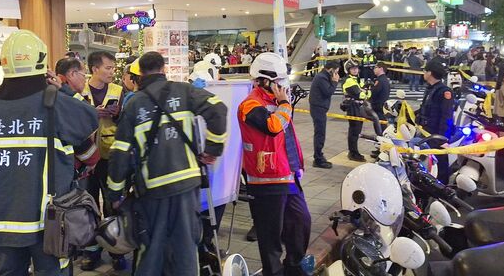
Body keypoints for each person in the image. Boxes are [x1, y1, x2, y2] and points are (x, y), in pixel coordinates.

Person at [0, 30, 99, 275]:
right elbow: (90, 154)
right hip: (49, 221)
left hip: (1, 218)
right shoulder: (58, 103)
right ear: (42, 63)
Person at [106, 51, 228, 275]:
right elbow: (219, 109)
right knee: (185, 246)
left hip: (153, 190)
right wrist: (213, 150)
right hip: (187, 185)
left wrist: (115, 194)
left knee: (151, 247)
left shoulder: (134, 104)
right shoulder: (184, 91)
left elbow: (119, 153)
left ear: (140, 73)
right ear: (164, 69)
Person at [238, 53, 312, 276]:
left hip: (287, 174)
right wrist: (284, 104)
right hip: (265, 179)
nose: (283, 86)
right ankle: (274, 272)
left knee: (301, 221)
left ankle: (293, 264)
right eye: (279, 81)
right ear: (264, 79)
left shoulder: (276, 102)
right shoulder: (250, 104)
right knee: (270, 235)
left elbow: (287, 135)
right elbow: (273, 126)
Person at [81, 50, 125, 270]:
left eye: (113, 68)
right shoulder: (81, 90)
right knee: (87, 205)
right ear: (94, 69)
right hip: (85, 157)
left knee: (113, 204)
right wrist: (91, 113)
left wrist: (116, 114)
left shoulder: (118, 90)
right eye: (108, 68)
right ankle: (91, 250)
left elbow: (125, 120)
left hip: (110, 155)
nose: (111, 72)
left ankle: (117, 249)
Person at [419, 61, 455, 185]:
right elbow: (425, 109)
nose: (423, 73)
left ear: (430, 73)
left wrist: (442, 139)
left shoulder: (444, 91)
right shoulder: (430, 89)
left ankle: (442, 189)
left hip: (436, 136)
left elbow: (446, 117)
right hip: (426, 132)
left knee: (439, 164)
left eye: (425, 70)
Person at [309, 61, 341, 168]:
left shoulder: (323, 76)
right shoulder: (322, 77)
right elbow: (328, 92)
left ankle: (319, 156)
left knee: (320, 132)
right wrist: (335, 82)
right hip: (318, 108)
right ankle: (318, 158)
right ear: (331, 69)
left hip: (319, 107)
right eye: (336, 72)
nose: (337, 74)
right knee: (320, 133)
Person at [342, 61, 371, 162]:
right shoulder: (349, 80)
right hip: (353, 107)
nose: (355, 70)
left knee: (356, 131)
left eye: (356, 68)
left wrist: (364, 91)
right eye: (353, 68)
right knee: (354, 131)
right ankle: (353, 153)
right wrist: (365, 91)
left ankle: (354, 151)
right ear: (348, 70)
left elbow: (367, 94)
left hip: (359, 106)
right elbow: (360, 95)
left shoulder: (357, 80)